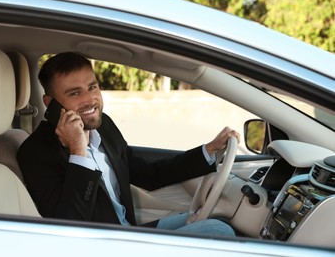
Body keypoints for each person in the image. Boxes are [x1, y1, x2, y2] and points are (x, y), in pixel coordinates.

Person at [17, 52, 240, 236]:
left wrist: (208, 151)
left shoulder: (104, 127)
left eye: (92, 87)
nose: (90, 99)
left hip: (128, 232)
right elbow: (68, 226)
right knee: (217, 232)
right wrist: (78, 151)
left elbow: (149, 174)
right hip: (103, 245)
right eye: (75, 93)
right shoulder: (35, 153)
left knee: (215, 216)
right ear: (50, 104)